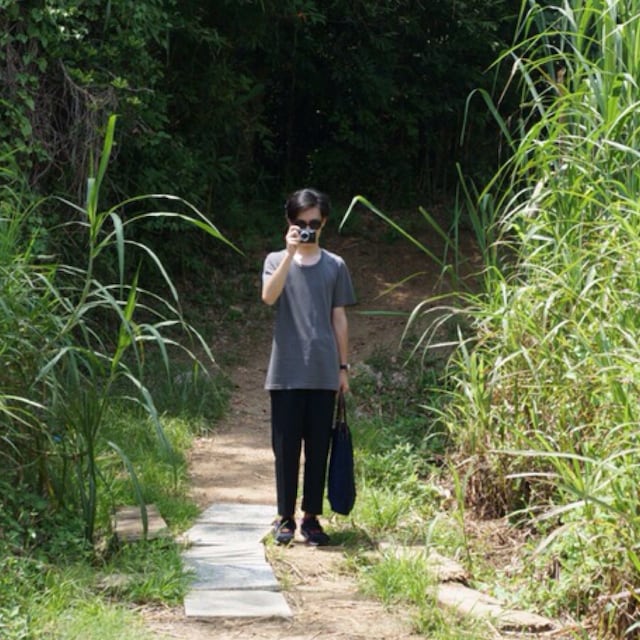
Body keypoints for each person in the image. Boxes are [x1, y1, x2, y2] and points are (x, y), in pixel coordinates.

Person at [261, 188, 356, 546]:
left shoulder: (335, 265)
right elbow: (268, 296)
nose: (307, 229)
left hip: (323, 372)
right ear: (289, 222)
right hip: (285, 372)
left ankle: (311, 518)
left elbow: (339, 319)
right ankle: (284, 516)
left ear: (324, 223)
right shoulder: (275, 260)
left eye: (314, 223)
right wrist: (289, 254)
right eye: (301, 223)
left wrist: (343, 368)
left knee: (319, 448)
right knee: (285, 448)